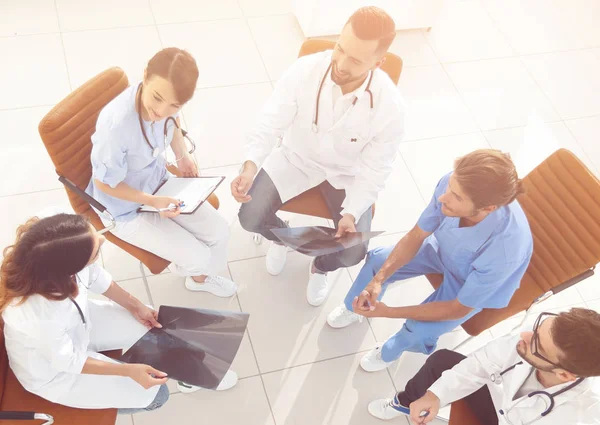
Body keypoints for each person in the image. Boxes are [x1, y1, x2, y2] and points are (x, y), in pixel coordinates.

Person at [231, 6, 405, 306]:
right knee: (249, 218)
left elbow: (375, 170)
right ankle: (282, 238)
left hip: (345, 176)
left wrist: (351, 213)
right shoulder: (305, 71)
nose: (340, 63)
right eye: (340, 48)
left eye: (355, 59)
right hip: (295, 160)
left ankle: (320, 266)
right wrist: (250, 166)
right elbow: (269, 122)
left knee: (353, 251)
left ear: (379, 61)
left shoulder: (391, 108)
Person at [0, 214, 238, 412]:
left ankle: (190, 374)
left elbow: (95, 278)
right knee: (156, 394)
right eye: (95, 252)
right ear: (69, 268)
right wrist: (126, 370)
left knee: (156, 331)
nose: (102, 239)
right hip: (56, 370)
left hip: (79, 321)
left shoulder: (58, 243)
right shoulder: (33, 314)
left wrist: (135, 305)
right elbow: (69, 360)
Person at [327, 149, 533, 372]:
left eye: (457, 197)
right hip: (441, 248)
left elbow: (457, 309)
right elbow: (417, 235)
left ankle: (390, 350)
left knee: (420, 329)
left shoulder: (505, 250)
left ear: (487, 209)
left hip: (468, 283)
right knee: (379, 261)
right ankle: (353, 307)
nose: (444, 197)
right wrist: (379, 279)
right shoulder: (453, 184)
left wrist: (389, 312)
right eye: (450, 187)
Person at [85, 47, 236, 298]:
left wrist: (183, 155)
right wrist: (153, 202)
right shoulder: (116, 126)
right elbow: (104, 185)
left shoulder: (168, 104)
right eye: (156, 98)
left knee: (221, 232)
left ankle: (198, 278)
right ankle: (197, 271)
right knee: (199, 256)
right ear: (145, 75)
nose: (162, 110)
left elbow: (172, 122)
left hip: (159, 183)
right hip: (126, 210)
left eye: (173, 105)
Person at [368, 308, 600, 425]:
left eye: (537, 343)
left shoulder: (579, 416)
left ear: (564, 374)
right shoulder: (524, 342)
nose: (525, 335)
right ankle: (405, 402)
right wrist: (435, 395)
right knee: (443, 360)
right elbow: (478, 365)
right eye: (538, 327)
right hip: (495, 401)